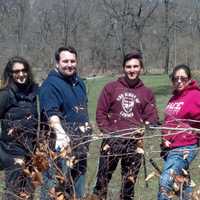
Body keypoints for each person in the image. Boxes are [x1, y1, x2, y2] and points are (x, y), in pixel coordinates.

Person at [93, 50, 159, 200]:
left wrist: (148, 124)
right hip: (112, 142)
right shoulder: (111, 88)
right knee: (101, 183)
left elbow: (152, 116)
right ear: (124, 68)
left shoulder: (146, 92)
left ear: (141, 68)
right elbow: (100, 113)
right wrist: (108, 133)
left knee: (128, 187)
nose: (132, 70)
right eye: (129, 66)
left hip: (134, 145)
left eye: (136, 66)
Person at [39, 46, 91, 199]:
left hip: (79, 147)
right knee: (54, 191)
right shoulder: (50, 85)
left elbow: (81, 110)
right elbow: (51, 112)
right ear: (57, 63)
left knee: (76, 192)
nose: (70, 64)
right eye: (65, 61)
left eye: (72, 61)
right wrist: (60, 133)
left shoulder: (79, 82)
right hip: (59, 150)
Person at [158, 64, 200, 200]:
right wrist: (165, 138)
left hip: (185, 148)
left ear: (189, 79)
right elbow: (168, 122)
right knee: (182, 185)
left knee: (166, 181)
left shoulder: (195, 95)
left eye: (183, 78)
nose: (179, 81)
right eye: (176, 79)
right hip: (170, 149)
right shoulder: (174, 98)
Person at [0, 56, 38, 200]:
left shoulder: (34, 91)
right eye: (16, 71)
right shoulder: (5, 94)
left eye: (24, 70)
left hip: (31, 149)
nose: (21, 74)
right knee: (13, 191)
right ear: (10, 74)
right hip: (11, 152)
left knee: (29, 190)